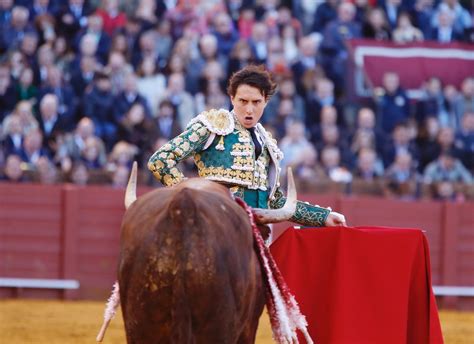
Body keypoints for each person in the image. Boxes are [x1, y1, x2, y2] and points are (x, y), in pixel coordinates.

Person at [148, 65, 346, 228]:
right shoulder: (213, 126)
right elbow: (160, 161)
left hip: (255, 234)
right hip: (215, 225)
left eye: (256, 102)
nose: (249, 109)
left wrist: (323, 216)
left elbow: (274, 200)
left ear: (266, 102)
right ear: (232, 98)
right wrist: (191, 198)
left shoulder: (267, 142)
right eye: (243, 101)